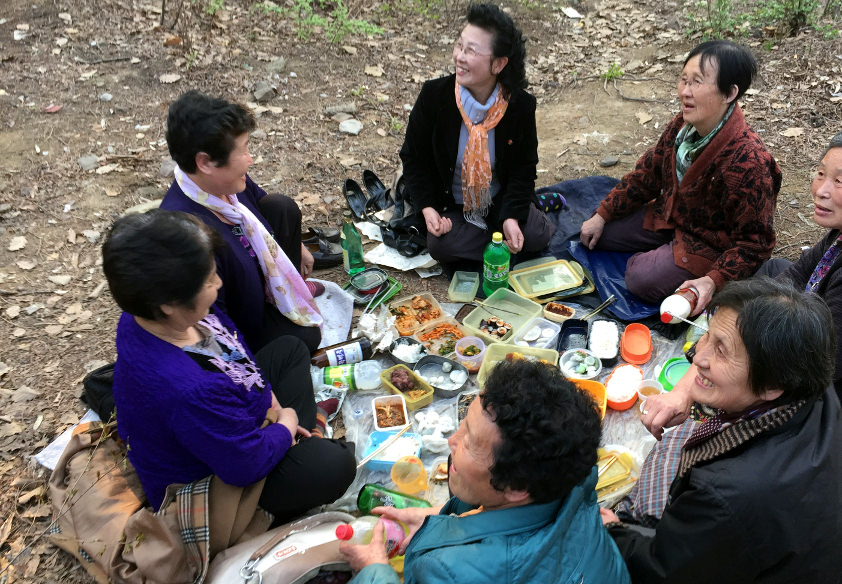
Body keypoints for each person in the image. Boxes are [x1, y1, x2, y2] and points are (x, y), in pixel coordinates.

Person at [102, 209, 356, 524]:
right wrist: (286, 422)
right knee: (336, 465)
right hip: (214, 485)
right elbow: (243, 465)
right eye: (209, 280)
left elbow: (238, 357)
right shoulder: (186, 389)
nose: (219, 283)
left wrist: (273, 406)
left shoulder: (152, 315)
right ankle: (290, 464)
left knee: (290, 350)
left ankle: (292, 447)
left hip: (234, 423)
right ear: (168, 303)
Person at [602, 278, 842, 583]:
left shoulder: (727, 493)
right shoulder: (812, 386)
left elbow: (663, 570)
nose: (698, 358)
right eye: (707, 336)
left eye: (722, 351)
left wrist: (614, 532)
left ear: (771, 385)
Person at [340, 360, 631, 584]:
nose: (452, 441)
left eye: (469, 441)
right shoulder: (571, 474)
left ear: (516, 488)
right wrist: (446, 518)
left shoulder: (448, 571)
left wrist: (374, 570)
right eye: (463, 426)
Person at [580, 40, 780, 312]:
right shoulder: (683, 127)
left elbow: (756, 244)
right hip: (670, 216)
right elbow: (649, 172)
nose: (684, 91)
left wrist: (714, 280)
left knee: (639, 278)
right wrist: (603, 213)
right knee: (598, 233)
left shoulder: (748, 162)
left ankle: (672, 259)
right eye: (683, 80)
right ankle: (665, 250)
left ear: (730, 93)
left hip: (708, 242)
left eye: (697, 82)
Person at [161, 90, 325, 354]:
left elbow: (261, 205)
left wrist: (296, 249)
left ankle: (288, 289)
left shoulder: (223, 183)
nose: (251, 159)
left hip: (259, 279)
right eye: (244, 149)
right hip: (245, 317)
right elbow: (210, 324)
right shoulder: (187, 235)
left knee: (281, 206)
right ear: (204, 162)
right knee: (305, 338)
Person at [400, 3, 555, 267]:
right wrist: (427, 208)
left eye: (471, 51)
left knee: (534, 235)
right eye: (459, 46)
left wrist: (510, 218)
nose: (459, 56)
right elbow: (414, 159)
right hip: (453, 206)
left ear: (498, 64)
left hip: (498, 201)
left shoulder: (519, 106)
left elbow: (523, 169)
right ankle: (501, 245)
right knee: (440, 245)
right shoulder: (434, 96)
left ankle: (504, 234)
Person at [756, 131, 842, 397]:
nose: (821, 190)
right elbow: (803, 268)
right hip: (819, 319)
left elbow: (824, 361)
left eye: (839, 181)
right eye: (820, 174)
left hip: (826, 385)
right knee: (772, 272)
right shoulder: (838, 234)